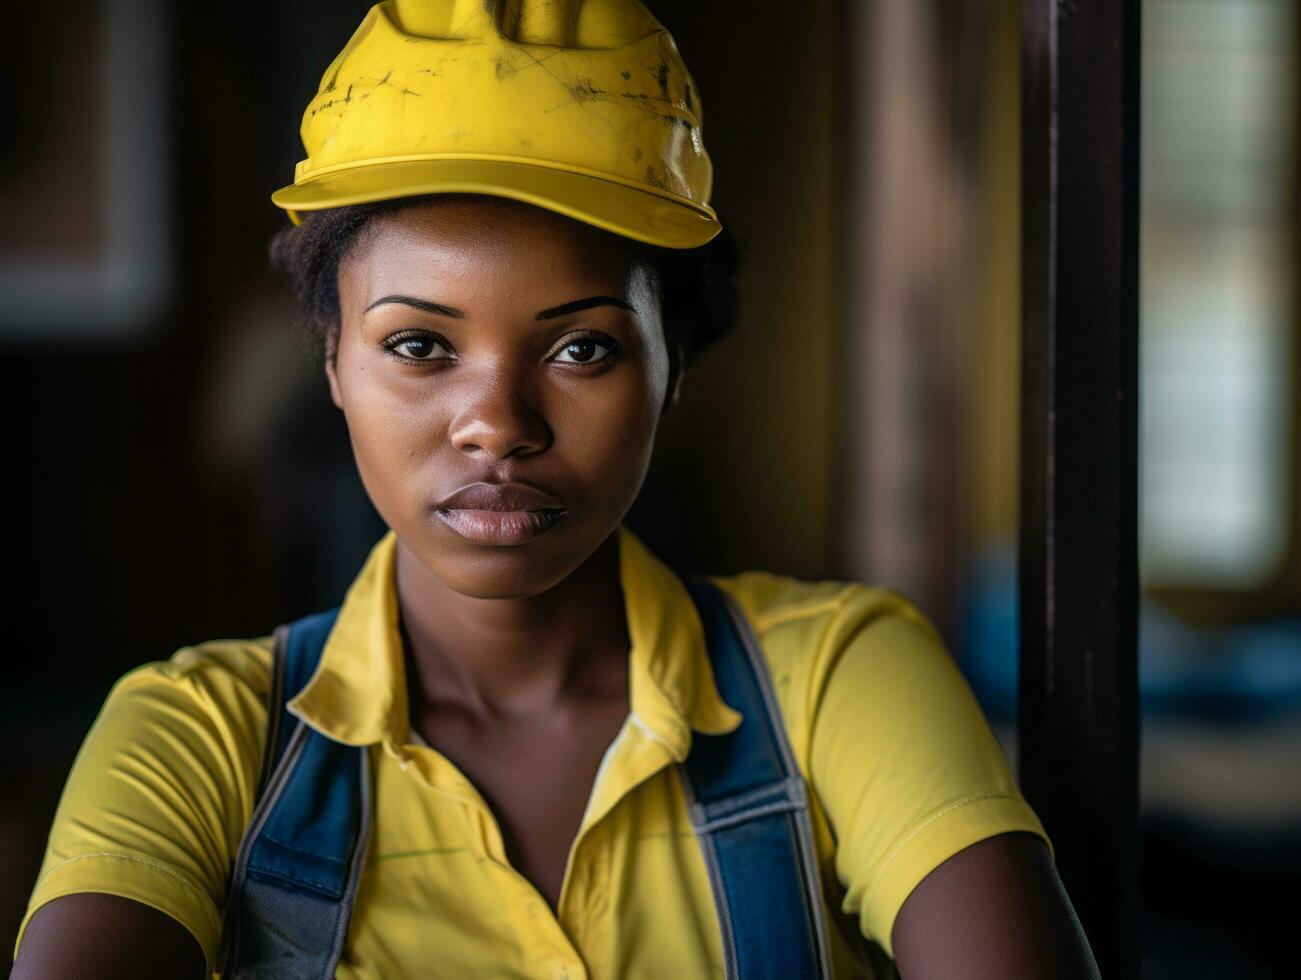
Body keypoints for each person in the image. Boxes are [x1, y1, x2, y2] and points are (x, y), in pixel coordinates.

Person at [13, 1, 1099, 977]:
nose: (497, 422)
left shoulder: (833, 686)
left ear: (674, 366)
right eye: (420, 345)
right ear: (332, 359)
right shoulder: (197, 740)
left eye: (580, 349)